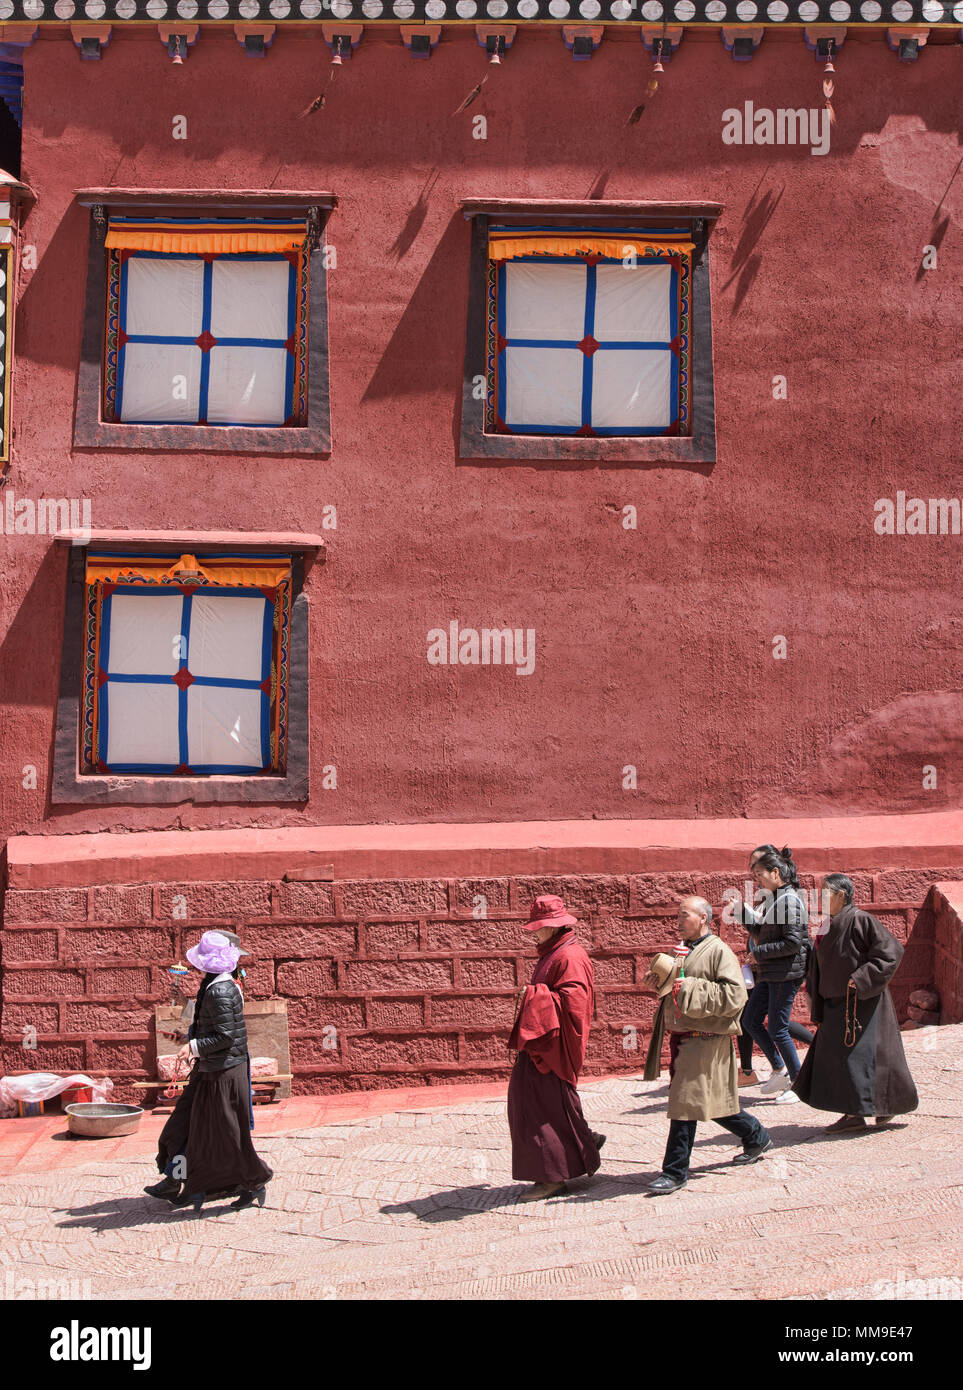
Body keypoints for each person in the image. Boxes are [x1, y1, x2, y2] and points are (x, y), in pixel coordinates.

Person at [644, 896, 772, 1194]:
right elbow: (677, 992)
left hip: (706, 1040)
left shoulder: (719, 952)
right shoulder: (682, 952)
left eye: (684, 914)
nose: (678, 920)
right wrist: (661, 985)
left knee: (685, 1104)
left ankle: (674, 1171)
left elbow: (735, 996)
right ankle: (755, 1135)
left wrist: (688, 987)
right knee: (711, 1102)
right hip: (685, 1037)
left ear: (703, 918)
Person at [157, 931, 273, 1212]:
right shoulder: (213, 986)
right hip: (211, 1068)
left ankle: (255, 1181)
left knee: (227, 1137)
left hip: (224, 1072)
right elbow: (208, 1020)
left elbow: (224, 1037)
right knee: (183, 1127)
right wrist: (187, 1031)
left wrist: (193, 1047)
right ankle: (177, 1178)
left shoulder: (221, 990)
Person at [792, 874, 918, 1131]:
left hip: (863, 1003)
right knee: (841, 1057)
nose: (820, 899)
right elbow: (818, 963)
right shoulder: (828, 924)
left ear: (841, 895)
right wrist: (813, 990)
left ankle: (862, 1112)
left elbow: (890, 953)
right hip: (835, 1004)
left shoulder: (861, 919)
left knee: (863, 1057)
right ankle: (873, 1108)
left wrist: (859, 980)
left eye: (826, 894)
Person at [507, 895, 605, 1202]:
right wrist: (537, 995)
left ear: (557, 926)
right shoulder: (553, 952)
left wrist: (533, 996)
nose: (534, 933)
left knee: (539, 1109)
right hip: (541, 1044)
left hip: (552, 1048)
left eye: (540, 927)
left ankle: (552, 1176)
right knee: (539, 1103)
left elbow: (575, 1007)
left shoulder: (569, 957)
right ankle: (583, 1143)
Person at [734, 846, 809, 1103]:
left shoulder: (789, 900)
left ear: (776, 872)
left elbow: (793, 942)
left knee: (778, 1028)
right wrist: (742, 913)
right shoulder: (775, 898)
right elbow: (762, 934)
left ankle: (798, 1081)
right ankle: (779, 1069)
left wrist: (759, 953)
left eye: (759, 875)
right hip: (770, 971)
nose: (757, 881)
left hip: (784, 973)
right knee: (751, 1020)